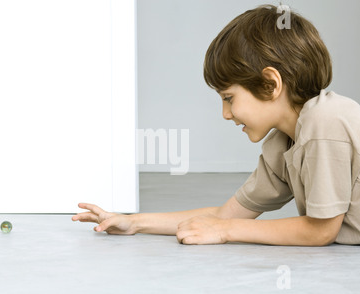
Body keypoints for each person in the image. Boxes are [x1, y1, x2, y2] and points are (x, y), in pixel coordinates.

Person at [72, 5, 360, 246]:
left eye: (229, 98)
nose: (225, 113)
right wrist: (133, 223)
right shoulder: (282, 144)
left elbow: (321, 230)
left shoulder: (326, 121)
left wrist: (224, 232)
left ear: (270, 84)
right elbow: (226, 215)